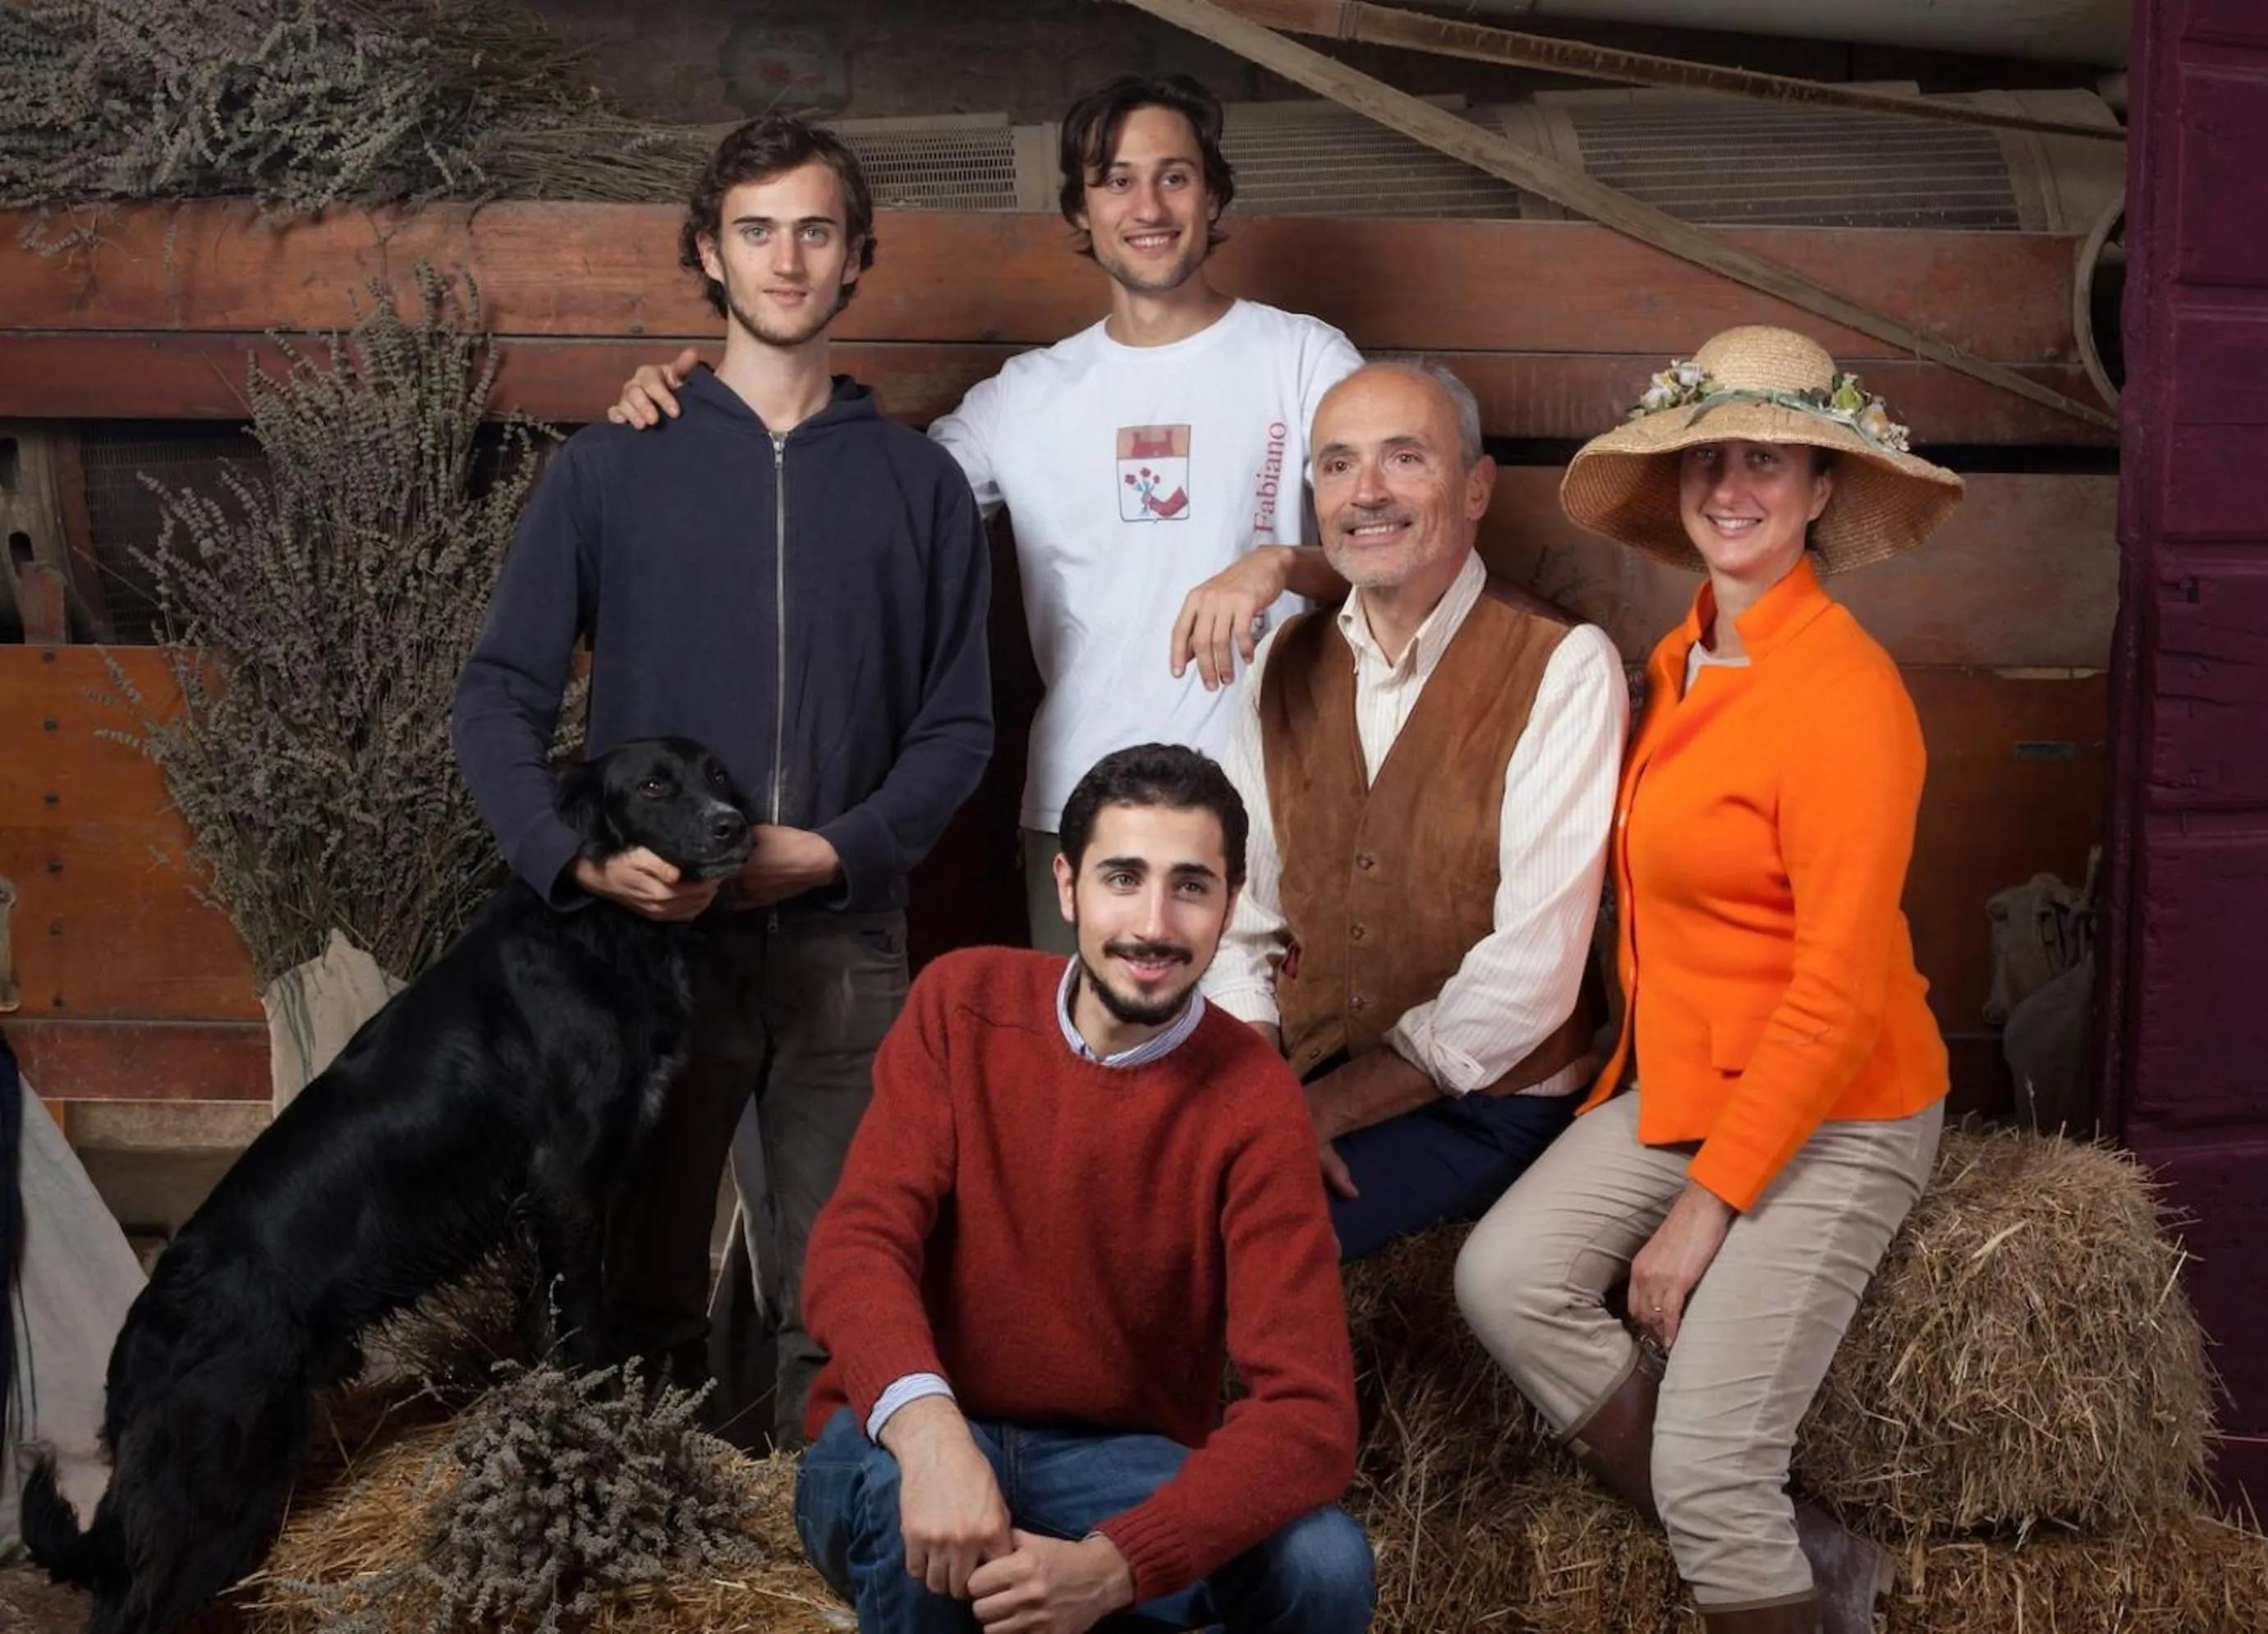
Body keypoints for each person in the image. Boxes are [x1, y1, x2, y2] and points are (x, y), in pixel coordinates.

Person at [452, 112, 992, 1448]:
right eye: (756, 231)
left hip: (842, 943)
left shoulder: (919, 486)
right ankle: (653, 1550)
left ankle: (828, 1552)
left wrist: (839, 851)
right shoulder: (609, 467)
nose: (787, 258)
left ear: (857, 254)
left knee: (851, 1293)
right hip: (652, 951)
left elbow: (958, 727)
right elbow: (496, 698)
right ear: (709, 251)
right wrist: (570, 859)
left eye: (815, 230)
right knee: (634, 1287)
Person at [1453, 325, 1964, 1634]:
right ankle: (1798, 1553)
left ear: (1821, 490)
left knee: (1702, 1461)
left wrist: (1702, 1210)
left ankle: (1728, 1517)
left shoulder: (1845, 696)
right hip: (1690, 1072)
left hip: (1837, 1099)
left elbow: (1837, 991)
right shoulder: (1683, 660)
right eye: (1708, 458)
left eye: (1769, 460)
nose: (1731, 486)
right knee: (1501, 1277)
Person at [608, 76, 1364, 952]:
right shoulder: (1022, 399)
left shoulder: (1302, 356)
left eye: (1175, 176)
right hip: (1083, 809)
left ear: (1214, 194)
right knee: (1093, 1082)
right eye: (1115, 180)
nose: (1147, 205)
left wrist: (1278, 562)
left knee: (1263, 1082)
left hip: (1274, 798)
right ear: (1079, 212)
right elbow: (854, 502)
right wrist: (700, 415)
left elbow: (1397, 552)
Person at [793, 744, 1375, 1634]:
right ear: (1066, 886)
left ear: (1230, 901)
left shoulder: (1255, 1101)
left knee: (1325, 1565)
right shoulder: (961, 1003)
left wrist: (1118, 1565)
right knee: (908, 1518)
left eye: (1190, 885)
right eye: (1121, 877)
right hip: (911, 1433)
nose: (1152, 923)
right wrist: (931, 1433)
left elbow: (1308, 1413)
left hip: (1112, 1465)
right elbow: (857, 1246)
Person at [1199, 361, 1628, 1261]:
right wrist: (1259, 1098)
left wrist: (1315, 1113)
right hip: (1300, 1082)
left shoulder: (1562, 663)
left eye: (1405, 458)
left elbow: (1530, 977)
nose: (1367, 493)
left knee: (1252, 1246)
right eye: (1338, 464)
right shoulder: (1282, 656)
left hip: (1490, 1110)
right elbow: (1242, 922)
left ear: (1476, 487)